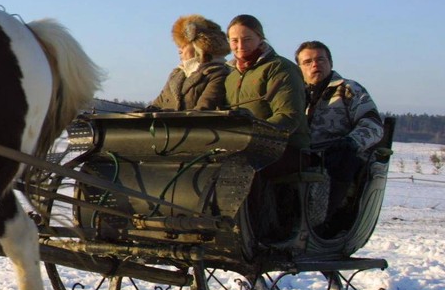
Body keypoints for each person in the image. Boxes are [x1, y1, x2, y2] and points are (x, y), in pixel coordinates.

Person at [225, 14, 310, 241]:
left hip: (287, 147)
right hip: (244, 145)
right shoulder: (230, 75)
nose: (240, 46)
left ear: (260, 38)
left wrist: (254, 138)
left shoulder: (280, 68)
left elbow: (288, 116)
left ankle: (260, 234)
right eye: (234, 41)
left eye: (247, 39)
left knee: (245, 169)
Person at [296, 40, 384, 227]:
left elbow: (373, 125)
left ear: (331, 63)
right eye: (308, 62)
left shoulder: (349, 89)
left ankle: (322, 225)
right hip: (302, 154)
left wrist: (352, 142)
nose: (315, 65)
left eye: (321, 59)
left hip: (338, 155)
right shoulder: (294, 93)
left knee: (341, 159)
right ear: (299, 67)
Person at [148, 15, 230, 111]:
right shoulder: (176, 74)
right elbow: (158, 104)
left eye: (183, 45)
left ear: (198, 47)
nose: (179, 50)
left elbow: (203, 109)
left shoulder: (217, 74)